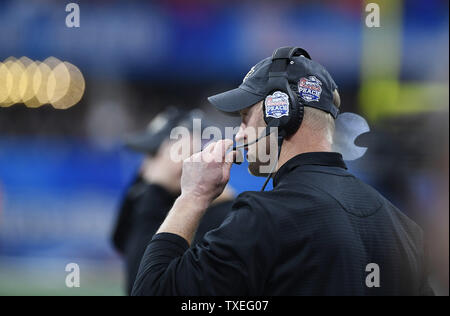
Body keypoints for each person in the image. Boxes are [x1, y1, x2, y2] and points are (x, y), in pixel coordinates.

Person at [131, 47, 434, 296]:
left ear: (280, 114)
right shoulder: (404, 229)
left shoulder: (263, 217)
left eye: (245, 117)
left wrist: (193, 196)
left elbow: (152, 292)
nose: (239, 135)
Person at [111, 107, 234, 295]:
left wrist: (156, 189)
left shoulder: (222, 221)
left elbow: (141, 285)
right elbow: (119, 239)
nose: (145, 166)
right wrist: (152, 186)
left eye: (154, 156)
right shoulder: (159, 204)